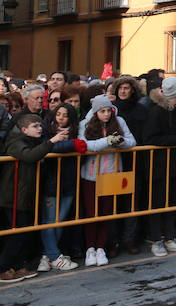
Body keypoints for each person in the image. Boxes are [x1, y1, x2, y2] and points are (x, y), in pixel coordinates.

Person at [0, 114, 69, 283]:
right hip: (14, 197)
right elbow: (31, 155)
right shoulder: (15, 142)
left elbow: (38, 147)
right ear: (24, 130)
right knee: (17, 234)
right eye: (35, 126)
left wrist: (53, 135)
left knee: (24, 233)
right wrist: (52, 140)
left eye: (40, 125)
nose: (39, 129)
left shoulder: (30, 140)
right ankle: (3, 268)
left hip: (24, 196)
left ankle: (15, 267)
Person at [78, 94, 135, 267]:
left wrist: (120, 142)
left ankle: (101, 247)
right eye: (102, 111)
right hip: (91, 174)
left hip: (112, 173)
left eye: (108, 110)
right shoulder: (84, 124)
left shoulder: (119, 121)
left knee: (106, 211)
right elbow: (84, 145)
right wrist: (107, 141)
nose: (106, 114)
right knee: (91, 213)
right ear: (95, 112)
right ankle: (90, 248)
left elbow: (132, 141)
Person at [143, 77, 176, 257]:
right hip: (159, 165)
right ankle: (157, 239)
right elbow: (150, 139)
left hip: (175, 165)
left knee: (174, 200)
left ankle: (171, 236)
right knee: (158, 202)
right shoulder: (157, 111)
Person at [37, 103, 85, 272]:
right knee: (49, 222)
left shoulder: (77, 131)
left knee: (60, 222)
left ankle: (47, 255)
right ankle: (54, 256)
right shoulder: (45, 130)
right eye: (59, 114)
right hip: (51, 183)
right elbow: (46, 147)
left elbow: (82, 146)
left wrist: (71, 143)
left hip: (69, 183)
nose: (61, 118)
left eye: (65, 115)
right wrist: (70, 145)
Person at [111, 75, 148, 255]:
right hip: (114, 162)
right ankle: (114, 241)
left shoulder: (140, 109)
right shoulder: (111, 109)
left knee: (132, 202)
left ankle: (129, 238)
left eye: (126, 88)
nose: (123, 91)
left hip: (135, 160)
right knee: (114, 202)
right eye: (120, 88)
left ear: (132, 90)